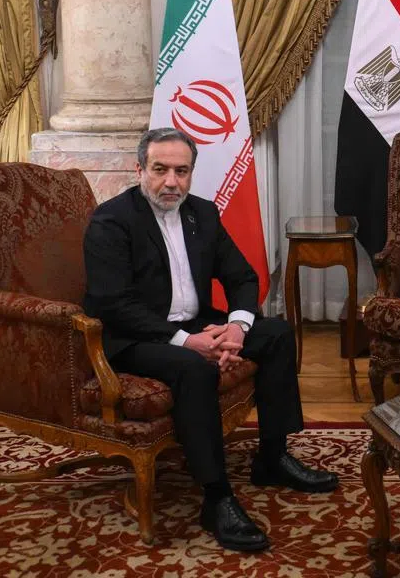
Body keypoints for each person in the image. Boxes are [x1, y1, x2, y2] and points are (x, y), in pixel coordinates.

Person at [83, 128, 338, 553]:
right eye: (160, 170)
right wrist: (188, 341)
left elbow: (242, 277)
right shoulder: (111, 221)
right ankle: (216, 496)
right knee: (193, 367)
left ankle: (272, 457)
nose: (171, 182)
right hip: (134, 337)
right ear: (139, 169)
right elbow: (114, 305)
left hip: (196, 324)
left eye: (181, 171)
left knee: (275, 333)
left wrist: (236, 328)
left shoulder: (201, 212)